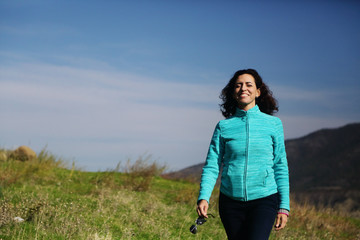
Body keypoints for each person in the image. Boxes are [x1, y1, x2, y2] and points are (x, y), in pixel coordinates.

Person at [196, 69, 290, 240]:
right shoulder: (224, 127)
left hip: (264, 199)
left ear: (258, 91)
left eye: (248, 85)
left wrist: (284, 206)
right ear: (233, 92)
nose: (243, 88)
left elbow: (280, 165)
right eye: (238, 85)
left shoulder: (273, 124)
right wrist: (204, 197)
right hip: (230, 202)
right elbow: (212, 164)